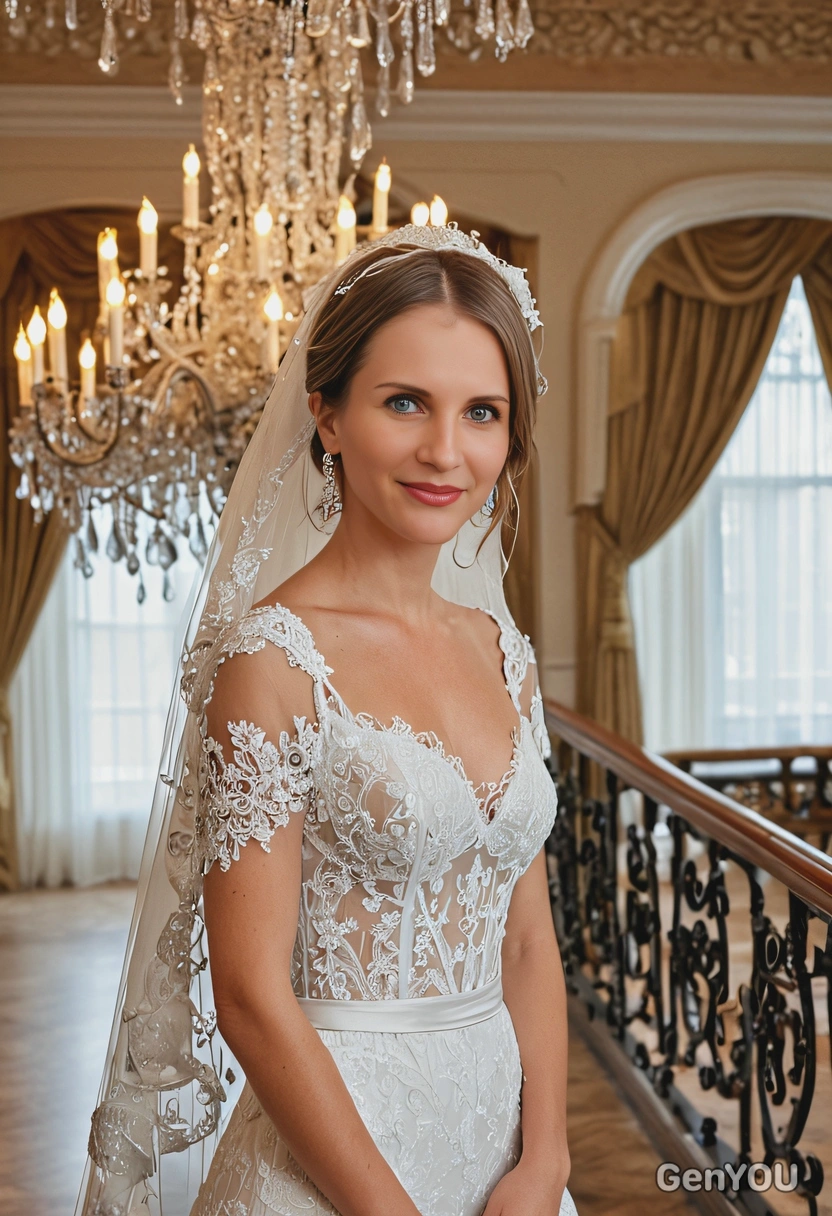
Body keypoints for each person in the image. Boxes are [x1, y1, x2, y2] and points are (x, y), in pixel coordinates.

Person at [77, 224, 577, 1216]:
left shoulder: (499, 648)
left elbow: (526, 936)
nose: (446, 449)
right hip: (332, 1171)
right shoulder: (273, 658)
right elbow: (252, 998)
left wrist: (548, 1157)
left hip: (504, 1160)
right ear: (328, 413)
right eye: (405, 402)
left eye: (482, 411)